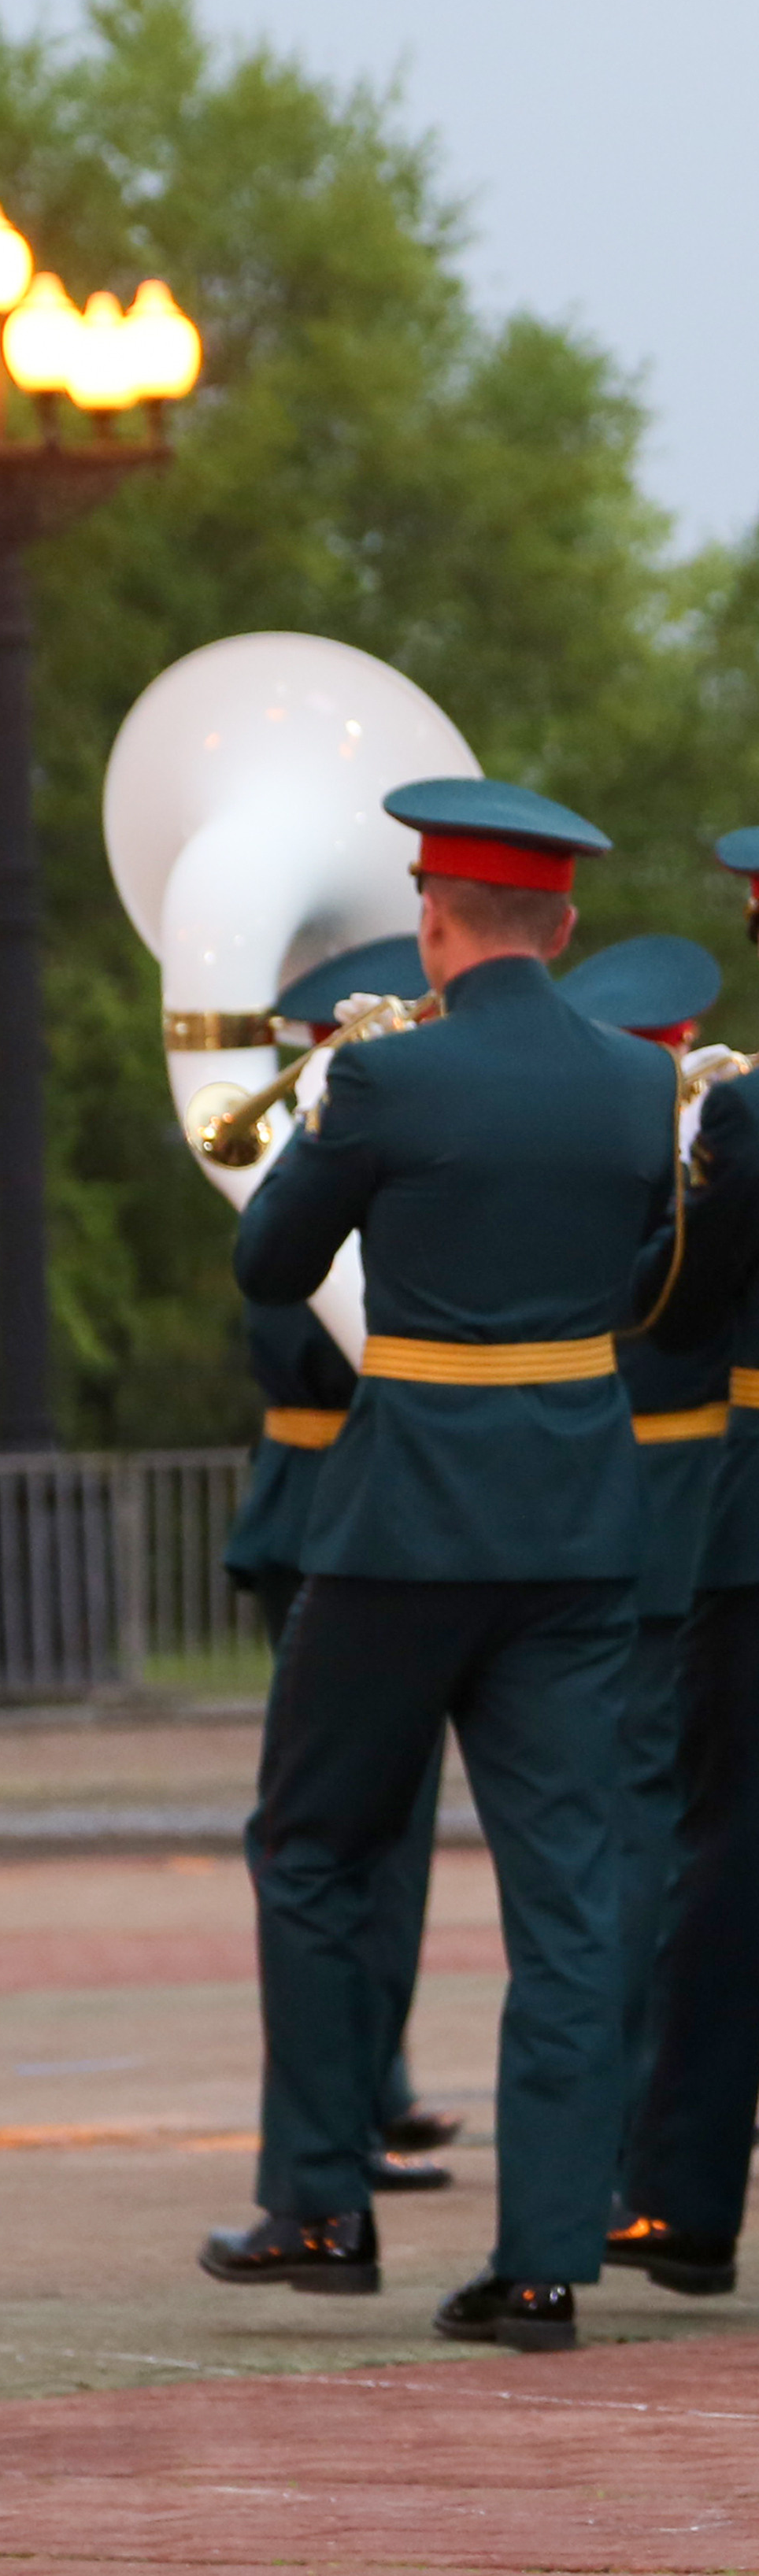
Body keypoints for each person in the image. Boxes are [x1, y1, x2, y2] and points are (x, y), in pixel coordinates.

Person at [197, 776, 675, 2352]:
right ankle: (542, 2257)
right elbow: (639, 1274)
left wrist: (338, 1102)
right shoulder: (627, 1086)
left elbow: (268, 1260)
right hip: (578, 1523)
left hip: (402, 1527)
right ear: (568, 923)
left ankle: (320, 2203)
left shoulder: (387, 1083)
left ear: (434, 916)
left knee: (318, 1845)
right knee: (570, 1894)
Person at [222, 938, 456, 2197]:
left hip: (378, 1499)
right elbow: (300, 1330)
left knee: (397, 1835)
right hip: (320, 1502)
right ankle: (342, 2101)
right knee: (338, 1832)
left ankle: (378, 2082)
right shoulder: (294, 1161)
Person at [608, 831, 759, 2295]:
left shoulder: (751, 1116)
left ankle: (686, 2196)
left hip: (754, 1525)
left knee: (730, 1859)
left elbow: (673, 1308)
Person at [552, 936, 731, 2149]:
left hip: (614, 1521)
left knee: (622, 1848)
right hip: (707, 1519)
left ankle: (627, 2124)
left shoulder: (583, 1167)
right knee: (680, 1851)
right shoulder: (705, 1161)